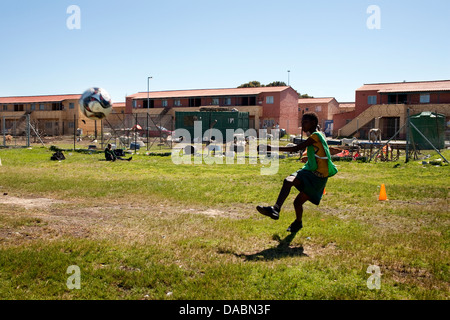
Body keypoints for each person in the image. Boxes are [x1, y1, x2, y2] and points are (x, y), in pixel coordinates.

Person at [257, 112, 339, 233]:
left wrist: (271, 148)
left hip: (318, 177)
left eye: (305, 122)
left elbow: (296, 148)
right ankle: (276, 209)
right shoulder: (316, 136)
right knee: (288, 181)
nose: (302, 124)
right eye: (302, 122)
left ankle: (297, 222)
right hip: (309, 171)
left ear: (313, 123)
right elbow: (319, 151)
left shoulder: (316, 135)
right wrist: (309, 159)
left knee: (297, 202)